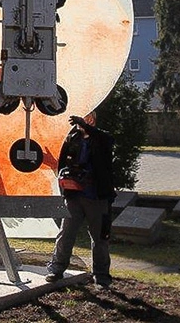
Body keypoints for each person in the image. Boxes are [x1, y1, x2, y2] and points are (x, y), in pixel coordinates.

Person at [45, 111, 116, 288]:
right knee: (65, 233)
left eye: (84, 118)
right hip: (73, 196)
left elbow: (106, 143)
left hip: (97, 197)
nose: (79, 123)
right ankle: (56, 269)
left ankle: (101, 276)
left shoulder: (102, 138)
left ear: (92, 119)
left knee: (100, 238)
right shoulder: (72, 139)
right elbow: (60, 162)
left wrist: (87, 128)